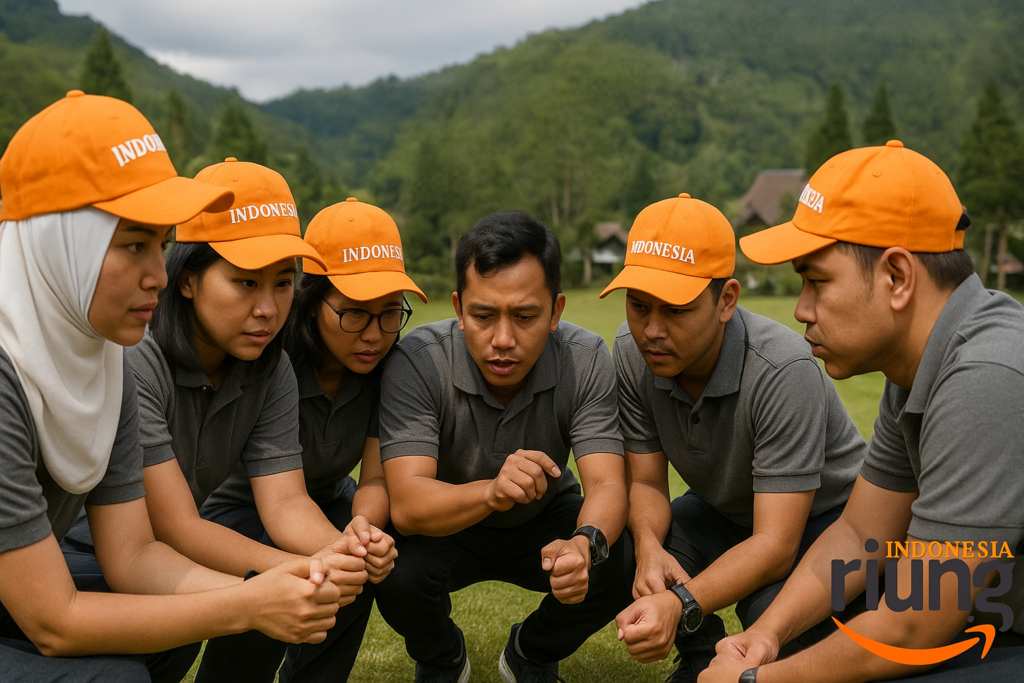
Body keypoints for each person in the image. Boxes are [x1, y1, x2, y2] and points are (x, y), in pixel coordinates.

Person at [0, 91, 344, 683]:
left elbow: (134, 557)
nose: (159, 275)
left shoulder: (104, 362)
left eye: (161, 246)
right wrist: (246, 603)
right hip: (37, 600)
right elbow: (54, 621)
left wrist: (275, 586)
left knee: (176, 629)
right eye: (134, 245)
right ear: (61, 245)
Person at [700, 140, 1024, 683]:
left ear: (897, 277)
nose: (801, 309)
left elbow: (915, 627)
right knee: (777, 608)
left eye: (817, 281)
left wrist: (756, 682)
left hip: (987, 624)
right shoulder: (919, 366)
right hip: (983, 613)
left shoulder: (986, 376)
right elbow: (860, 536)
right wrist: (766, 635)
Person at [62, 157, 372, 683]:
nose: (269, 309)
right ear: (186, 280)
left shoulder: (269, 368)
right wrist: (282, 574)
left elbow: (286, 499)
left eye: (282, 283)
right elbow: (175, 526)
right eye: (245, 283)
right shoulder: (139, 359)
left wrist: (338, 551)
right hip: (83, 558)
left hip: (152, 558)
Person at [604, 193, 866, 682]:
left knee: (768, 610)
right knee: (629, 552)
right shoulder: (629, 350)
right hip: (722, 511)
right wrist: (647, 548)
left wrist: (679, 601)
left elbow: (775, 543)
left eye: (676, 311)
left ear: (726, 300)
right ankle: (702, 656)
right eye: (638, 306)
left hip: (821, 520)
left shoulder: (782, 369)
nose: (651, 331)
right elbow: (645, 483)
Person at [373, 210, 631, 682]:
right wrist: (492, 491)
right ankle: (443, 657)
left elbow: (608, 484)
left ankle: (530, 652)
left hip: (546, 519)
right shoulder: (417, 360)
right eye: (484, 316)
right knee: (394, 567)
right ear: (458, 308)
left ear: (556, 312)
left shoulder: (586, 358)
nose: (503, 340)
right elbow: (408, 505)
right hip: (447, 521)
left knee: (618, 556)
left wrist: (583, 542)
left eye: (525, 316)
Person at [201, 197, 424, 681]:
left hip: (328, 504)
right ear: (310, 301)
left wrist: (361, 532)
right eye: (353, 314)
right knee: (282, 573)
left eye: (389, 313)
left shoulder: (392, 368)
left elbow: (376, 476)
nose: (374, 335)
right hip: (240, 510)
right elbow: (279, 502)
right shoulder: (270, 360)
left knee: (363, 556)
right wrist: (336, 546)